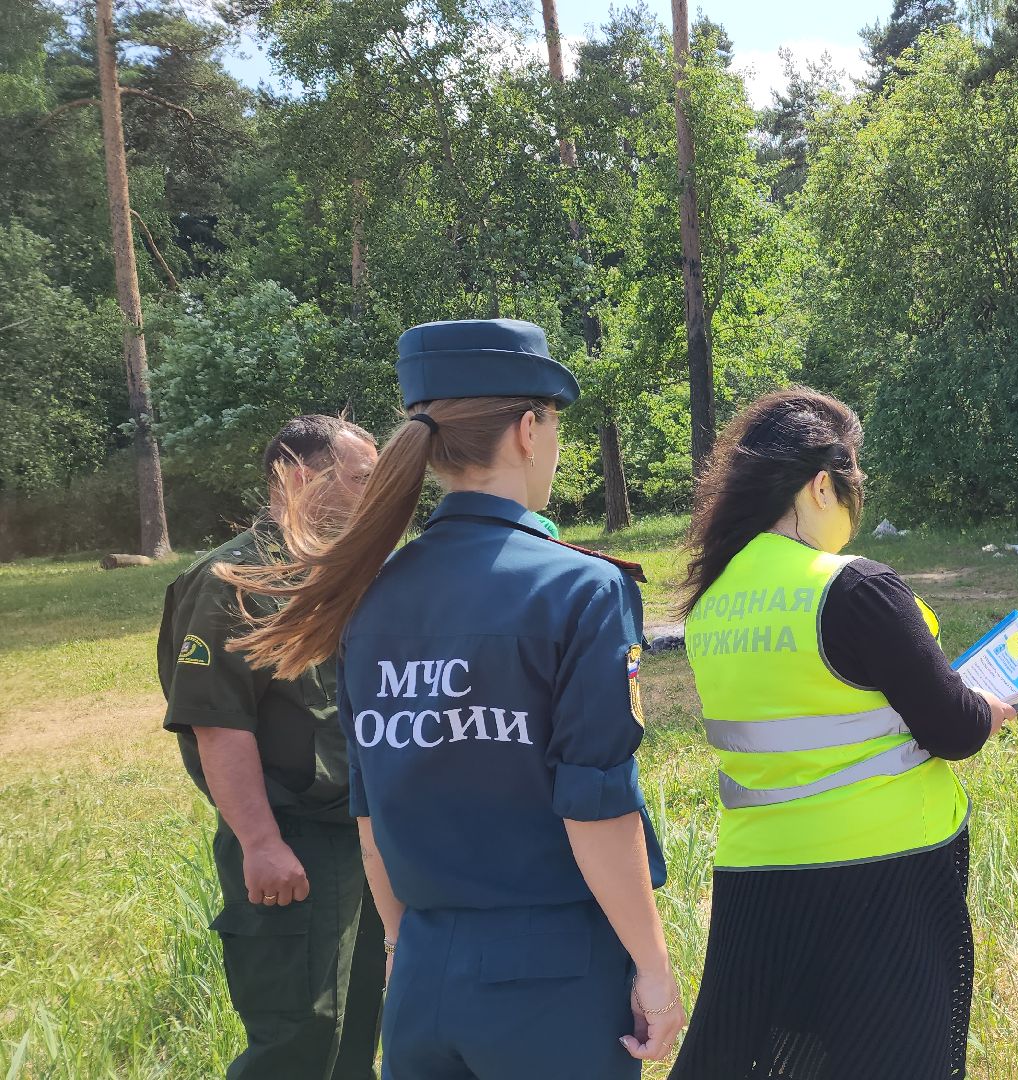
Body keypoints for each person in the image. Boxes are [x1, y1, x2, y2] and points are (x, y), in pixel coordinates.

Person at [219, 318, 685, 1077]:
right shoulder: (582, 588)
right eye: (554, 426)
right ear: (530, 430)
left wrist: (406, 951)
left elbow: (370, 814)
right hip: (553, 977)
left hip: (422, 969)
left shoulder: (369, 591)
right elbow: (595, 804)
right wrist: (655, 970)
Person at [668, 388, 1015, 1080]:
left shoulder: (711, 599)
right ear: (823, 484)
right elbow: (952, 728)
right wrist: (992, 707)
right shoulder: (856, 588)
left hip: (758, 876)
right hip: (884, 875)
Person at [159, 414, 383, 1080]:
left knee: (359, 1022)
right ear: (297, 475)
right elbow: (219, 723)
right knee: (300, 1034)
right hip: (294, 839)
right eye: (359, 480)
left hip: (362, 834)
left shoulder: (344, 574)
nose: (373, 497)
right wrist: (260, 843)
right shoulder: (235, 580)